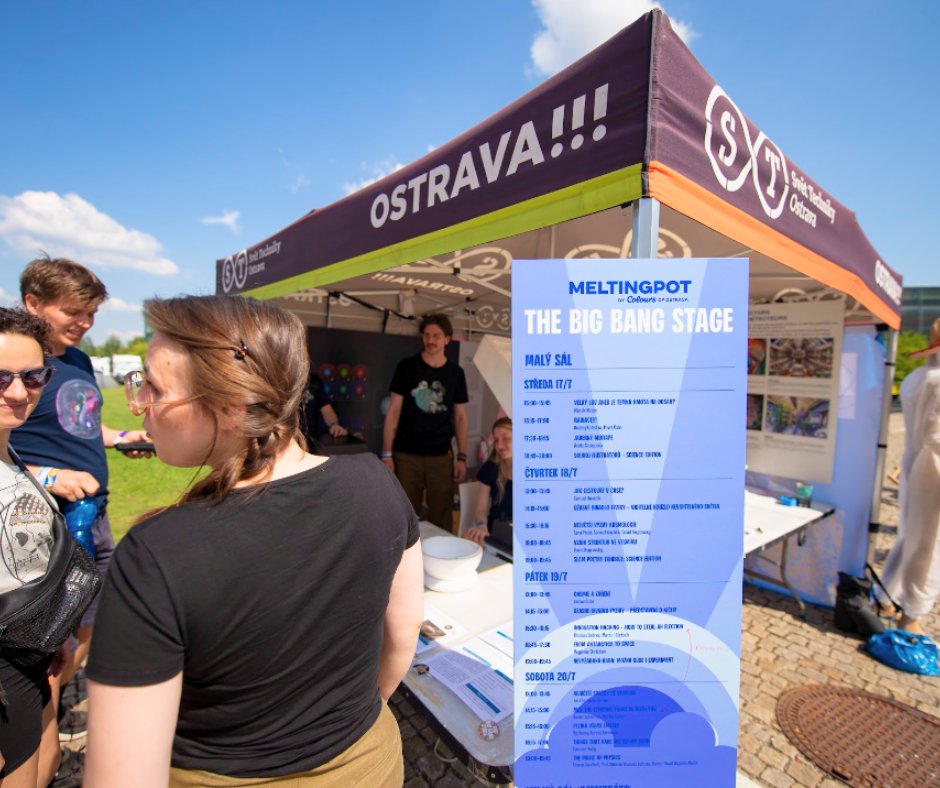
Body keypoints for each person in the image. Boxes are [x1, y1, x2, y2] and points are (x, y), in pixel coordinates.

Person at [83, 295, 424, 788]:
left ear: (231, 406)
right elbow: (404, 631)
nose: (140, 406)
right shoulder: (376, 482)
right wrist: (352, 726)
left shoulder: (155, 555)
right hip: (373, 764)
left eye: (153, 387)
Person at [12, 257, 151, 745]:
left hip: (94, 515)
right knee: (46, 639)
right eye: (73, 311)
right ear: (33, 303)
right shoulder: (15, 368)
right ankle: (33, 741)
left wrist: (122, 437)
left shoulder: (79, 360)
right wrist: (48, 476)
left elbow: (84, 424)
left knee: (90, 620)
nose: (86, 323)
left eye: (91, 313)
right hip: (39, 524)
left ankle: (46, 719)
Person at [0, 307, 69, 787]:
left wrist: (52, 632)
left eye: (33, 376)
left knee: (48, 760)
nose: (19, 392)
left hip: (29, 654)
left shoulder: (9, 446)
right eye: (0, 378)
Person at [877, 317, 940, 636]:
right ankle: (910, 614)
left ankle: (885, 596)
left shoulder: (918, 377)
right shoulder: (936, 380)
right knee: (929, 545)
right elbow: (935, 433)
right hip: (933, 467)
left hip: (917, 462)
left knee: (911, 537)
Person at [382, 314, 468, 532]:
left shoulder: (456, 373)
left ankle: (442, 552)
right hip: (406, 454)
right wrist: (387, 454)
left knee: (442, 513)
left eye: (436, 336)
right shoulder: (407, 367)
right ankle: (407, 553)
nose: (430, 340)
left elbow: (460, 417)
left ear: (447, 339)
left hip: (441, 456)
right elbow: (393, 411)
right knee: (405, 513)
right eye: (427, 335)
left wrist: (462, 457)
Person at [465, 417, 513, 546]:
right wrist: (481, 526)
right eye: (496, 440)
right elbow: (480, 510)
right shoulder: (491, 468)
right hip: (497, 535)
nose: (499, 446)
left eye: (506, 438)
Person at [300, 370, 347, 443]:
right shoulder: (283, 379)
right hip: (287, 441)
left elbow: (327, 410)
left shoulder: (314, 380)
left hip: (311, 441)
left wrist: (334, 425)